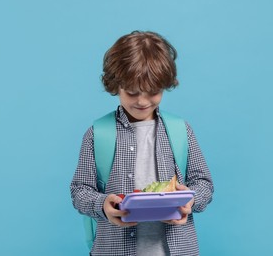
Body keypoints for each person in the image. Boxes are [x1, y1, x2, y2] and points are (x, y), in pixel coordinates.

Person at [70, 31, 213, 256]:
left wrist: (189, 199)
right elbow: (80, 190)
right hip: (114, 249)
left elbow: (203, 183)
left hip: (176, 250)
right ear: (115, 85)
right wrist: (103, 205)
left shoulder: (179, 130)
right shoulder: (97, 134)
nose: (143, 101)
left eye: (153, 92)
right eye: (132, 92)